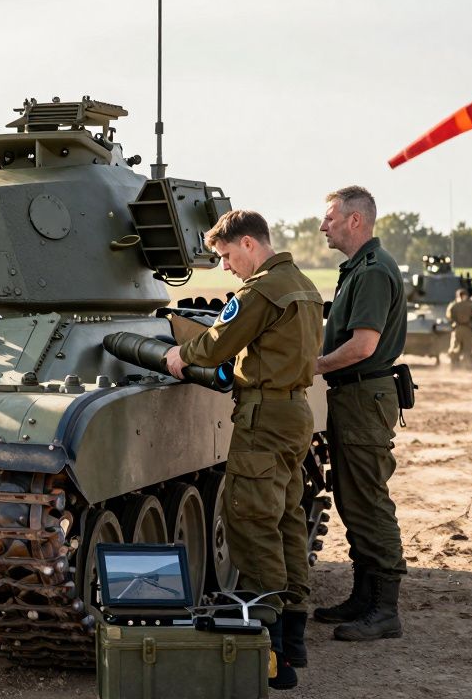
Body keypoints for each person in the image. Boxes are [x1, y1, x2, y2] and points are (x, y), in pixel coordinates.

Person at [162, 209, 322, 690]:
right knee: (287, 520)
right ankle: (293, 638)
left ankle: (270, 649)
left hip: (264, 417)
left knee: (251, 521)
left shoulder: (263, 290)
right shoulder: (304, 285)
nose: (226, 267)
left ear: (249, 244)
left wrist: (179, 355)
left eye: (227, 256)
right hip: (294, 414)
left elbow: (217, 345)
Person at [312, 186, 407, 642]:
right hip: (354, 396)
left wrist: (313, 366)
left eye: (330, 217)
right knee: (352, 498)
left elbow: (364, 346)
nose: (323, 225)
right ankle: (364, 597)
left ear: (355, 221)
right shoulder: (358, 269)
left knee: (368, 500)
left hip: (363, 395)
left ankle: (385, 610)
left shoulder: (372, 271)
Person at [445, 288, 472, 369]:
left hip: (457, 328)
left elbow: (449, 316)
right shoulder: (470, 305)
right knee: (467, 348)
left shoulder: (453, 305)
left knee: (454, 347)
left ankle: (453, 365)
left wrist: (454, 322)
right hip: (467, 328)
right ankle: (466, 366)